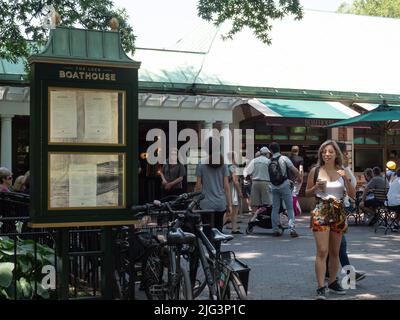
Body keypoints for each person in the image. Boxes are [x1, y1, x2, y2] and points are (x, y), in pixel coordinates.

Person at [305, 140, 356, 300]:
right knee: (322, 251)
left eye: (330, 152)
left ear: (336, 154)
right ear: (321, 154)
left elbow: (353, 195)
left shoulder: (342, 171)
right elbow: (306, 193)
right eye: (324, 151)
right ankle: (321, 287)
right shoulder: (316, 170)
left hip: (338, 210)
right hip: (321, 210)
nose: (326, 154)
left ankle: (333, 282)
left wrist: (346, 178)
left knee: (335, 252)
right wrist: (314, 189)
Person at [325, 141, 366, 283]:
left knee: (335, 245)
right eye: (345, 152)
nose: (348, 155)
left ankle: (326, 271)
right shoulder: (333, 169)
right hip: (331, 210)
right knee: (340, 244)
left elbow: (352, 190)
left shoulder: (342, 169)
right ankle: (349, 274)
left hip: (339, 210)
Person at [194, 137, 232, 248]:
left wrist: (195, 201)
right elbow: (226, 187)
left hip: (206, 204)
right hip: (220, 203)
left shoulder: (201, 164)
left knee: (207, 230)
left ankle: (210, 255)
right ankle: (217, 254)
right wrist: (229, 204)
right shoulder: (223, 164)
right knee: (218, 231)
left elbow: (197, 186)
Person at [268, 142, 301, 238]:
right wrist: (298, 178)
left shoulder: (269, 161)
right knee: (290, 208)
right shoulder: (284, 158)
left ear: (270, 151)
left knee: (275, 209)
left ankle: (275, 230)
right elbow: (294, 170)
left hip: (274, 187)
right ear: (279, 149)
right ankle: (291, 229)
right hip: (285, 186)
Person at [243, 147, 272, 216]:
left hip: (255, 182)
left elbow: (247, 172)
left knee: (255, 203)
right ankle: (265, 217)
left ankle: (254, 218)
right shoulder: (268, 161)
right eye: (268, 154)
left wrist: (248, 177)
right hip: (266, 182)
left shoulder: (254, 161)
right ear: (266, 154)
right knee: (267, 202)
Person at [225, 151, 244, 234]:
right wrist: (239, 192)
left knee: (228, 210)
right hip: (232, 188)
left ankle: (234, 228)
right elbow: (235, 180)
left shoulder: (225, 166)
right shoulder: (232, 167)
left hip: (226, 188)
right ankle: (233, 228)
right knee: (234, 209)